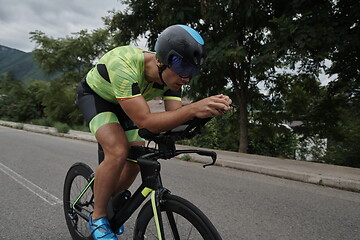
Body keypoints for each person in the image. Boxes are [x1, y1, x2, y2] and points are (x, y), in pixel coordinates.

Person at [75, 24, 232, 240]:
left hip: (126, 103)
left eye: (192, 71)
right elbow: (146, 121)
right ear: (161, 60)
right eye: (183, 68)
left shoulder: (175, 78)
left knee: (138, 156)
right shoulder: (125, 64)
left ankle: (105, 194)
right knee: (118, 151)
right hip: (96, 97)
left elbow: (173, 119)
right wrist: (194, 107)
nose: (186, 77)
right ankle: (98, 216)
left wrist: (205, 112)